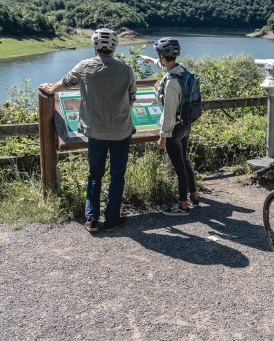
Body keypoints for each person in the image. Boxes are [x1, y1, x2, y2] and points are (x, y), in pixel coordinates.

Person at [39, 28, 137, 233]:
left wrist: (50, 89)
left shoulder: (84, 66)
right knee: (118, 176)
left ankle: (91, 220)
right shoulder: (126, 69)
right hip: (121, 131)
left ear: (95, 46)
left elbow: (64, 83)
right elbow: (132, 98)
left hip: (95, 132)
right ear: (114, 46)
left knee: (94, 175)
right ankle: (112, 219)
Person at [141, 37, 199, 216]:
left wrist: (163, 136)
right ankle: (194, 196)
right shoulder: (182, 71)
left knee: (178, 167)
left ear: (161, 54)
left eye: (157, 54)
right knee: (185, 161)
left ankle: (183, 206)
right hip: (185, 125)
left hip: (174, 130)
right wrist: (150, 60)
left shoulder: (172, 83)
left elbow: (168, 112)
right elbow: (165, 67)